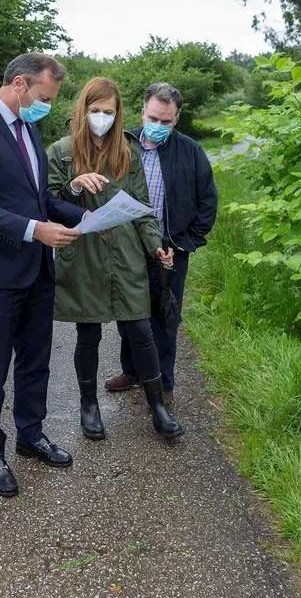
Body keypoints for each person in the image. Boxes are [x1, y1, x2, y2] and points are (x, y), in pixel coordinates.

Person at [0, 52, 86, 498]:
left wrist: (84, 218)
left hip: (36, 268)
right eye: (45, 97)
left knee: (35, 360)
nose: (47, 106)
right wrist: (35, 230)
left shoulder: (28, 127)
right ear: (20, 84)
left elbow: (39, 199)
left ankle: (31, 434)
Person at [47, 78, 184, 441]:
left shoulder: (127, 151)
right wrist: (75, 185)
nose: (101, 118)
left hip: (125, 254)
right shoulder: (61, 151)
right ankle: (89, 405)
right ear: (82, 110)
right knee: (88, 333)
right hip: (83, 254)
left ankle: (158, 407)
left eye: (108, 111)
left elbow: (142, 208)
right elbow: (48, 200)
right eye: (95, 110)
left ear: (119, 113)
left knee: (140, 331)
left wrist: (155, 245)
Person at [108, 83, 218, 406]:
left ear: (176, 119)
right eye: (153, 118)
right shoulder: (122, 144)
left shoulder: (190, 152)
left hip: (170, 250)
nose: (158, 125)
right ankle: (131, 371)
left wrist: (185, 243)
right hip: (126, 248)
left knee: (165, 319)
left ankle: (163, 383)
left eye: (166, 122)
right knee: (128, 315)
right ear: (142, 112)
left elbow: (208, 201)